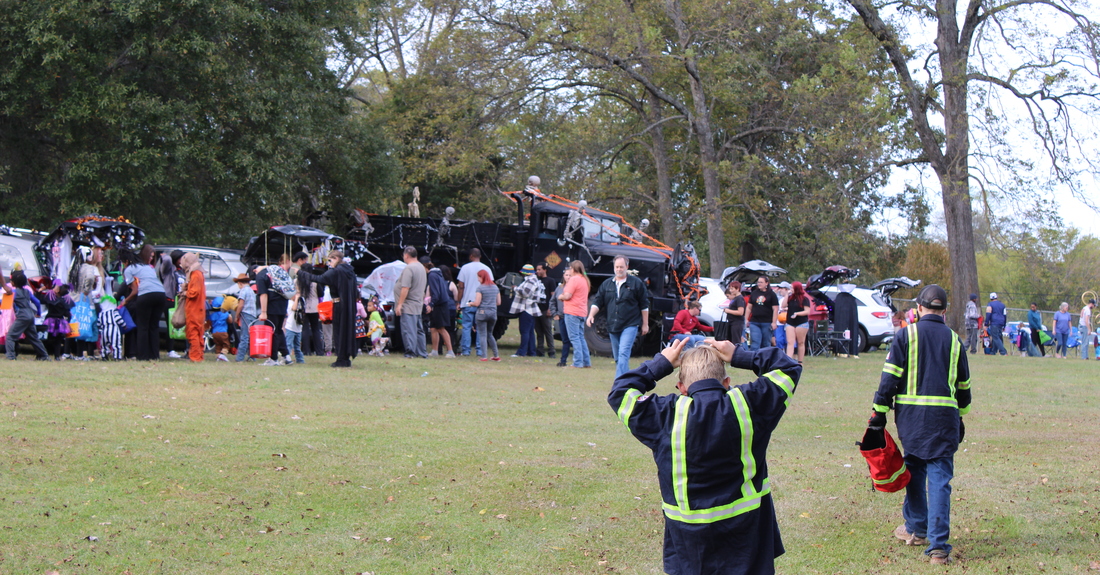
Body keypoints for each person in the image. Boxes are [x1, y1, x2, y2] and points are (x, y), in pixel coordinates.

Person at [608, 336, 801, 575]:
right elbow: (788, 368)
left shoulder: (666, 415)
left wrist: (661, 364)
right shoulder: (748, 404)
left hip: (690, 543)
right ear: (726, 382)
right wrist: (739, 355)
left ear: (681, 388)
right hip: (748, 536)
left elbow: (620, 392)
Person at [868, 284, 971, 566]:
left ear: (919, 308)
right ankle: (938, 549)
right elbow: (963, 386)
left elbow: (889, 378)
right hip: (944, 419)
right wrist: (961, 416)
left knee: (913, 469)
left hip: (912, 419)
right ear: (944, 310)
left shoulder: (906, 335)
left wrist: (879, 412)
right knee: (940, 481)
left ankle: (916, 529)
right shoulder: (955, 340)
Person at [587, 255, 649, 377]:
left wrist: (645, 324)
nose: (619, 269)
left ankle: (619, 383)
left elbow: (644, 305)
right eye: (617, 267)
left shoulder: (636, 283)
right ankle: (626, 379)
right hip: (613, 325)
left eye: (621, 267)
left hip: (630, 324)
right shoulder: (607, 284)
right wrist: (591, 315)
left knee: (623, 353)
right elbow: (597, 302)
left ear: (627, 267)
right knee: (617, 357)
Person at [298, 250, 359, 368]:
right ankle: (345, 357)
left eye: (330, 260)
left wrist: (301, 273)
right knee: (345, 331)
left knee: (339, 332)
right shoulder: (349, 271)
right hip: (347, 305)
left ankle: (341, 359)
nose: (329, 264)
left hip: (339, 305)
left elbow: (319, 278)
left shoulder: (336, 271)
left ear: (336, 258)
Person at [119, 246, 167, 361]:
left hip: (146, 295)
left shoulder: (128, 269)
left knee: (143, 327)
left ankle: (143, 356)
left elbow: (135, 291)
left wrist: (125, 301)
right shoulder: (147, 267)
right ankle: (154, 355)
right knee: (154, 326)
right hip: (161, 294)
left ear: (126, 261)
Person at [3, 268, 49, 361]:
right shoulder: (27, 291)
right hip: (30, 315)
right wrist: (38, 313)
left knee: (10, 336)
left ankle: (11, 356)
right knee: (34, 338)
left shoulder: (13, 293)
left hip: (22, 316)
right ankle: (44, 356)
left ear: (13, 283)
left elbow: (4, 304)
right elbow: (37, 302)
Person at [256, 255, 294, 366]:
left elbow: (263, 294)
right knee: (278, 331)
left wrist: (263, 312)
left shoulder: (260, 276)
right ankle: (286, 356)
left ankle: (273, 359)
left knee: (272, 332)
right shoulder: (274, 271)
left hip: (272, 306)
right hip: (282, 304)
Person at [456, 248, 493, 356]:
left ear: (471, 256)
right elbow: (490, 286)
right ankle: (480, 350)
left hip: (468, 302)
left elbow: (461, 287)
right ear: (480, 256)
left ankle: (466, 350)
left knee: (466, 327)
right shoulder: (487, 269)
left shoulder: (465, 268)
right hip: (482, 303)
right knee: (480, 328)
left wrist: (458, 301)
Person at [395, 246, 429, 359]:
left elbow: (405, 287)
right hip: (418, 303)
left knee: (408, 329)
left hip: (408, 305)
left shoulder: (409, 268)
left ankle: (410, 353)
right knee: (418, 330)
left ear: (406, 255)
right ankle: (422, 352)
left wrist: (400, 304)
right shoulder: (421, 267)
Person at [559, 260, 591, 368]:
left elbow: (567, 295)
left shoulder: (574, 279)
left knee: (574, 338)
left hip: (572, 312)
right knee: (580, 337)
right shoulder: (584, 279)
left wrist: (561, 296)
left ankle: (577, 362)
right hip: (582, 312)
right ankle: (586, 362)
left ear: (573, 269)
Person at [511, 264, 544, 357]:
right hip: (530, 309)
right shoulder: (533, 280)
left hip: (526, 308)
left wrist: (515, 288)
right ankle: (531, 351)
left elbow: (526, 293)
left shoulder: (531, 281)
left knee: (524, 331)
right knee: (530, 332)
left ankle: (522, 352)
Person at [426, 258, 456, 358]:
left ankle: (450, 351)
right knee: (433, 328)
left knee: (441, 328)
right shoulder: (438, 274)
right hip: (441, 303)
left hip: (440, 305)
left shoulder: (432, 275)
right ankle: (434, 350)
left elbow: (436, 292)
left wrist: (431, 304)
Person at [180, 252, 206, 362]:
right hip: (198, 308)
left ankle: (195, 356)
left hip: (194, 309)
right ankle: (199, 355)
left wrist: (185, 292)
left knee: (193, 332)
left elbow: (194, 292)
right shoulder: (199, 274)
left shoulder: (195, 274)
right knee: (198, 332)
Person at [471, 269, 501, 361]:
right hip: (493, 313)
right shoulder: (495, 287)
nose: (478, 279)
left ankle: (484, 356)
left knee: (482, 335)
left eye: (479, 277)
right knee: (490, 334)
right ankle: (496, 355)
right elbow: (499, 302)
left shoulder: (480, 288)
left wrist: (470, 303)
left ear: (482, 277)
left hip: (482, 313)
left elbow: (477, 303)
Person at [745, 276, 779, 350]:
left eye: (761, 282)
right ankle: (754, 357)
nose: (759, 284)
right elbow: (749, 307)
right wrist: (746, 319)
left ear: (766, 283)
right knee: (755, 343)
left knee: (765, 343)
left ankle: (765, 357)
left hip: (767, 322)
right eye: (758, 282)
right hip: (754, 322)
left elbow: (775, 309)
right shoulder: (754, 293)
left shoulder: (771, 294)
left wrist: (774, 322)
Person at [42, 281, 73, 360]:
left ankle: (45, 354)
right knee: (58, 340)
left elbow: (43, 300)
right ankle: (57, 356)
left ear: (57, 291)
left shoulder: (51, 299)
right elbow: (67, 313)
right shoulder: (65, 301)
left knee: (48, 338)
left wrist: (40, 291)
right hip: (60, 322)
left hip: (50, 321)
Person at [784, 281, 812, 364]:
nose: (791, 289)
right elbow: (783, 305)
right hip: (790, 322)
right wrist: (786, 295)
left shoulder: (804, 299)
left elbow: (807, 311)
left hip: (801, 322)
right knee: (790, 342)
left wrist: (797, 313)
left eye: (792, 288)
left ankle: (800, 361)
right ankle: (788, 360)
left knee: (800, 342)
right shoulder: (790, 298)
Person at [550, 268, 573, 367]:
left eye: (570, 275)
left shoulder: (574, 288)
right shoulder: (559, 288)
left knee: (575, 338)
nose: (568, 277)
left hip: (572, 316)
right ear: (563, 276)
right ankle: (563, 360)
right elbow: (552, 301)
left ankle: (580, 359)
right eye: (566, 275)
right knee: (565, 339)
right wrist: (554, 313)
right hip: (562, 317)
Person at [232, 272, 257, 362]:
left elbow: (241, 305)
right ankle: (252, 357)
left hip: (245, 314)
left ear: (240, 283)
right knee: (251, 337)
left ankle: (239, 358)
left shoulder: (243, 291)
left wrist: (236, 316)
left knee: (244, 337)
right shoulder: (251, 291)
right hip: (253, 316)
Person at [534, 263, 557, 358]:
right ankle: (540, 350)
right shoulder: (536, 280)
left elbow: (553, 296)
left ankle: (551, 351)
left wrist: (550, 309)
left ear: (545, 270)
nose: (537, 271)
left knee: (547, 331)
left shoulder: (550, 281)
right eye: (537, 270)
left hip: (545, 309)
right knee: (539, 331)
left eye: (539, 269)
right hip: (537, 309)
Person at [97, 295, 126, 360]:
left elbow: (98, 323)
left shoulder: (101, 313)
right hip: (113, 328)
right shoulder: (114, 311)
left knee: (104, 345)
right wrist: (124, 325)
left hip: (104, 330)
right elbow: (118, 318)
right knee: (116, 344)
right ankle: (117, 357)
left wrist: (100, 330)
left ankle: (104, 356)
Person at [283, 293, 305, 364]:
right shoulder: (289, 302)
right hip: (290, 327)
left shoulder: (301, 302)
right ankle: (287, 358)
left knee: (297, 346)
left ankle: (300, 360)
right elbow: (294, 308)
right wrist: (296, 299)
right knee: (289, 344)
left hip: (298, 328)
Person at [210, 296, 231, 361]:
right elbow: (230, 321)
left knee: (218, 345)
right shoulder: (225, 314)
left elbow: (210, 323)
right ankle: (222, 355)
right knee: (226, 344)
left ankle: (218, 356)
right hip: (223, 332)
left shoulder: (212, 315)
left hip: (214, 333)